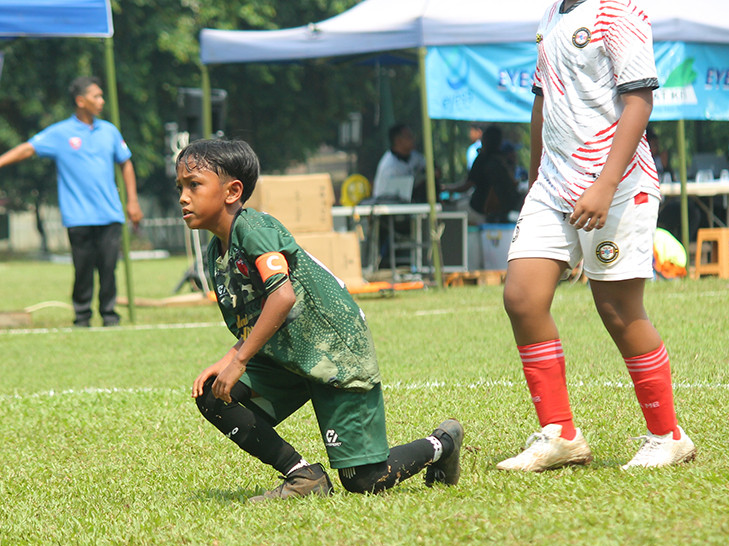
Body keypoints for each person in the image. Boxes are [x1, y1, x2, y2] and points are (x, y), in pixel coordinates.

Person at [178, 138, 463, 500]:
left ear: (233, 191)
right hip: (289, 354)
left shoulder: (253, 229)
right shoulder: (215, 251)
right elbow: (257, 313)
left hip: (334, 351)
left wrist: (239, 360)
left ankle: (442, 444)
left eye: (194, 185)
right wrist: (229, 358)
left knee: (363, 480)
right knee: (213, 394)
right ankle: (303, 476)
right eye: (180, 187)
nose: (183, 197)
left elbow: (282, 297)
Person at [497, 0, 695, 472]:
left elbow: (639, 101)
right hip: (552, 186)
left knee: (618, 310)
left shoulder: (617, 10)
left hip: (618, 184)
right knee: (522, 298)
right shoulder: (552, 15)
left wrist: (605, 185)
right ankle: (561, 435)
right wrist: (534, 182)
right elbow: (543, 104)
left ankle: (668, 436)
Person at [0, 76, 143, 327]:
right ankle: (82, 317)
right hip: (78, 215)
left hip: (109, 213)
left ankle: (109, 316)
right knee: (83, 269)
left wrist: (133, 201)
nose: (101, 101)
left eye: (101, 96)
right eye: (96, 96)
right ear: (80, 101)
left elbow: (125, 163)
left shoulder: (109, 131)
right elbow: (28, 148)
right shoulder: (61, 133)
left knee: (109, 268)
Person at [445, 125, 523, 225]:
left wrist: (447, 188)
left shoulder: (482, 159)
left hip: (479, 210)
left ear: (484, 140)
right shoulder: (503, 160)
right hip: (500, 212)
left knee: (450, 210)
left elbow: (467, 186)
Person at [372, 124, 427, 201]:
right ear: (398, 141)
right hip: (390, 205)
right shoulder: (389, 166)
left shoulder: (415, 156)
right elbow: (392, 197)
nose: (413, 139)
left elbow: (431, 168)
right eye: (409, 136)